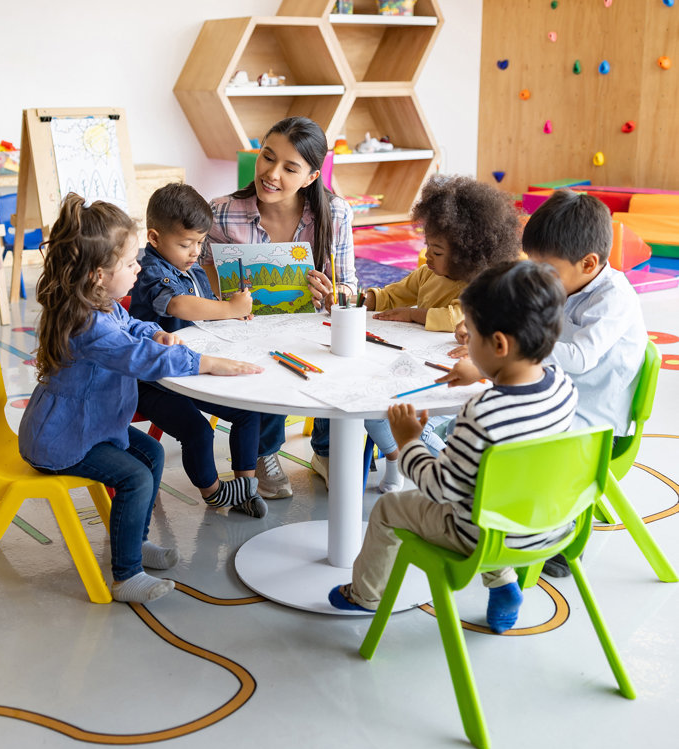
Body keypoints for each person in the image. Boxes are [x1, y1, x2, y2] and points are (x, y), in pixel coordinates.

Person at [18, 194, 265, 605]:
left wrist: (155, 332)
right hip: (62, 441)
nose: (139, 268)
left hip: (90, 426)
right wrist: (204, 362)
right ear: (99, 275)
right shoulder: (88, 324)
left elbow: (134, 326)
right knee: (135, 477)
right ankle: (126, 574)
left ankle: (132, 541)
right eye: (131, 263)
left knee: (149, 453)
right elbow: (143, 359)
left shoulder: (101, 304)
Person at [328, 260, 578, 634]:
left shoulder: (481, 413)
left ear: (498, 344)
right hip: (547, 524)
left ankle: (363, 595)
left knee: (389, 509)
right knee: (496, 492)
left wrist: (409, 441)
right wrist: (483, 370)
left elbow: (440, 489)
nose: (466, 345)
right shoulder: (563, 387)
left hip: (480, 533)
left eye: (471, 337)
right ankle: (503, 583)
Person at [311, 175, 521, 494]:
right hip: (410, 366)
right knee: (361, 397)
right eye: (426, 246)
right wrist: (359, 300)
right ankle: (395, 458)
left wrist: (414, 314)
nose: (427, 256)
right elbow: (394, 294)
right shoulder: (427, 273)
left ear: (467, 253)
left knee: (381, 413)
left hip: (445, 381)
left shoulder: (481, 286)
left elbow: (456, 317)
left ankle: (425, 466)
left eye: (436, 251)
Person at [200, 116, 358, 500]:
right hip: (244, 327)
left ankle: (326, 450)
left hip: (313, 329)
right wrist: (222, 287)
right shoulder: (221, 212)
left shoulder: (335, 214)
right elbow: (198, 273)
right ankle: (264, 452)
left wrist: (333, 293)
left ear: (310, 176)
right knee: (265, 357)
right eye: (267, 157)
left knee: (342, 353)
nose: (271, 174)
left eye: (289, 168)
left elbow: (351, 288)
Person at [523, 189, 648, 576]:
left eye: (547, 271)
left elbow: (578, 357)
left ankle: (560, 534)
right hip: (562, 396)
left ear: (590, 263)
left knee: (519, 437)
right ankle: (511, 512)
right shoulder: (566, 282)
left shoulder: (614, 297)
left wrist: (518, 346)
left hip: (595, 415)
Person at [129, 182, 267, 512]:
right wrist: (229, 309)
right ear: (154, 238)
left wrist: (228, 315)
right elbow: (177, 306)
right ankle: (214, 492)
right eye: (186, 243)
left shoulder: (190, 268)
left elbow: (203, 308)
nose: (195, 252)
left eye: (200, 242)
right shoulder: (150, 271)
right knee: (199, 432)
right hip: (155, 381)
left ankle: (245, 486)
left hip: (195, 368)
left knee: (249, 412)